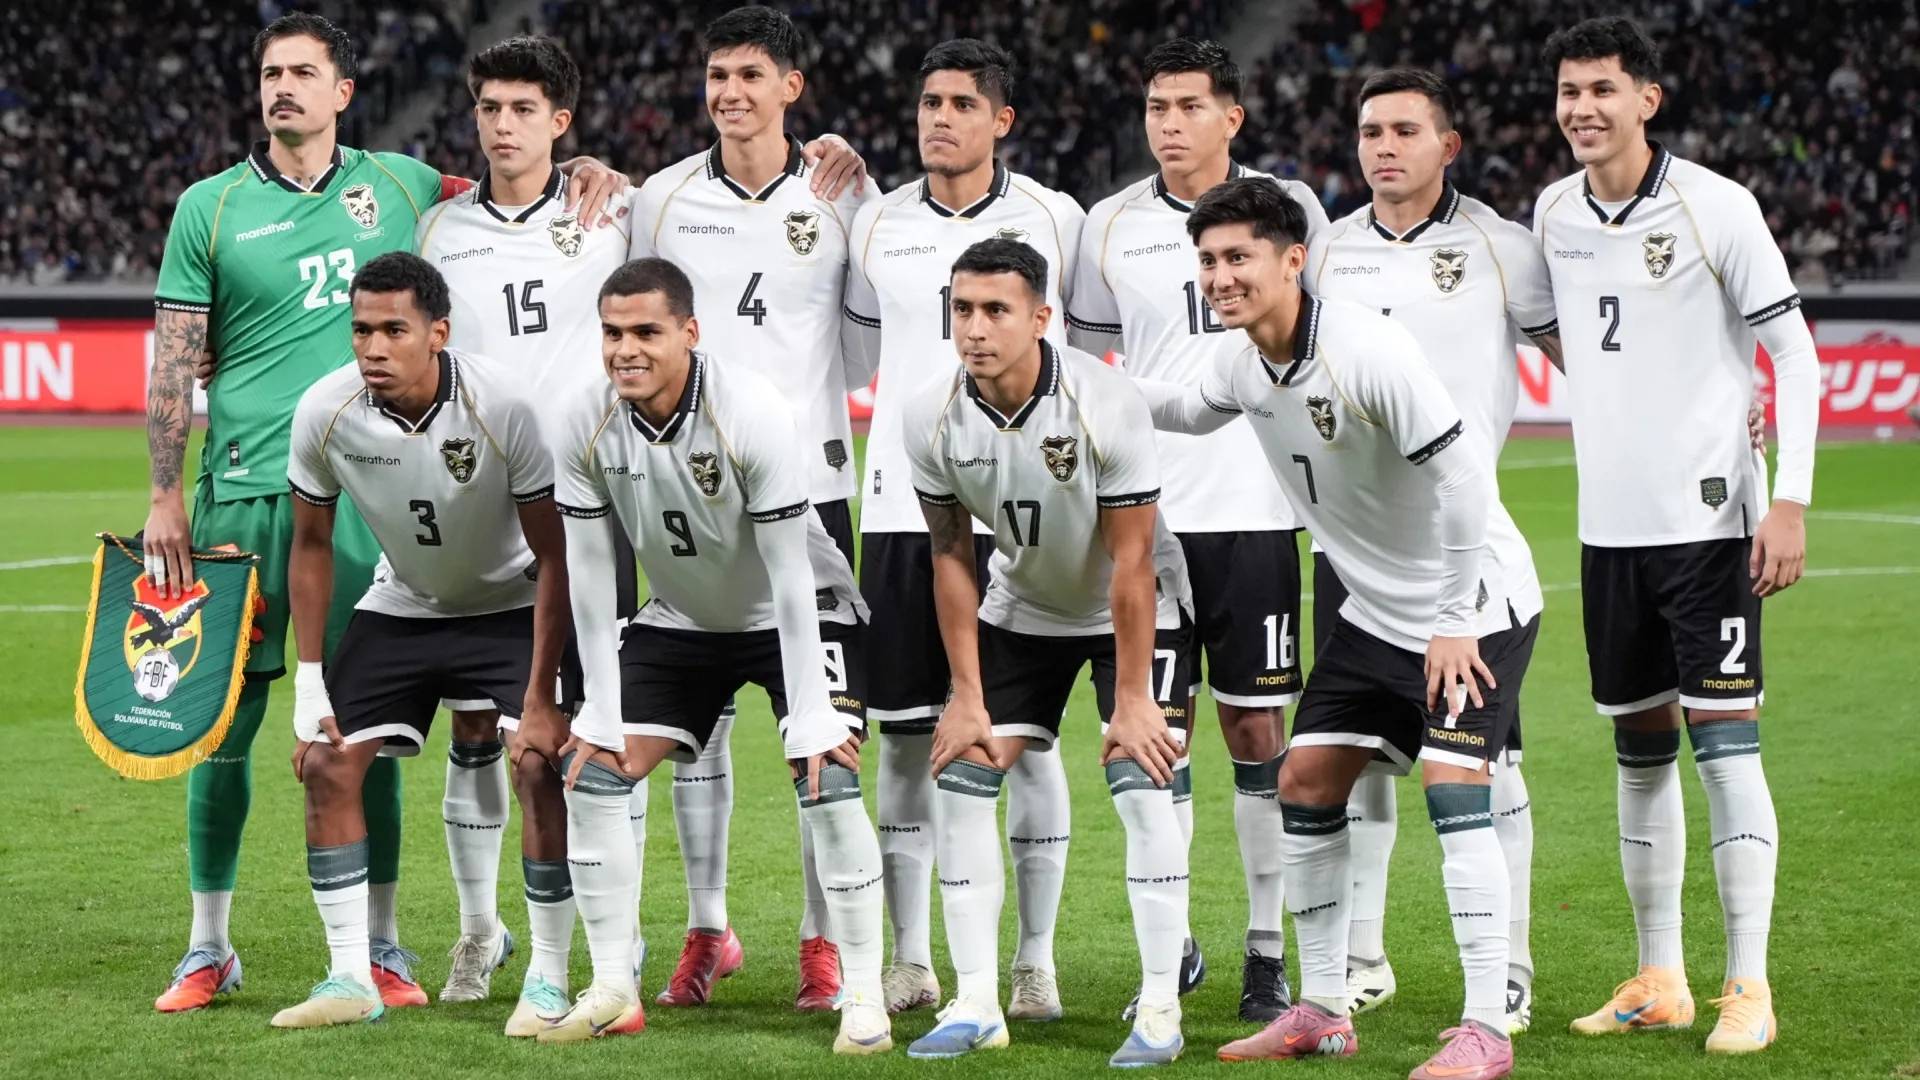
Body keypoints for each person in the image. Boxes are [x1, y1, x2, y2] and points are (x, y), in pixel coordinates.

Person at [143, 11, 617, 1014]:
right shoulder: (210, 208)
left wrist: (592, 169)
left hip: (375, 498)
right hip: (241, 493)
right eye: (270, 71)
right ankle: (207, 944)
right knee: (223, 727)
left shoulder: (402, 186)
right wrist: (164, 495)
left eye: (303, 72)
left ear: (343, 91)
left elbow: (516, 181)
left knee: (371, 725)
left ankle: (387, 950)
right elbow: (177, 353)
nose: (284, 87)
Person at [1137, 177, 1522, 1080]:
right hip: (1374, 611)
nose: (1221, 277)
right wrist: (1079, 376)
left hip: (1474, 603)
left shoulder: (1366, 350)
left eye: (1239, 258)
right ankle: (1322, 1008)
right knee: (1305, 781)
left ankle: (1485, 1031)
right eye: (1208, 261)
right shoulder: (1241, 361)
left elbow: (1465, 480)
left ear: (1293, 259)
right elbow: (1192, 413)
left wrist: (1456, 617)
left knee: (1454, 788)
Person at [1533, 16, 1818, 1054]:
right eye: (1568, 90)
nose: (1581, 109)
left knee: (1725, 748)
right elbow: (1569, 337)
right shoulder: (1554, 211)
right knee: (1638, 750)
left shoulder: (1716, 207)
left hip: (1708, 528)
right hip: (1609, 529)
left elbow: (1798, 353)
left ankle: (1749, 983)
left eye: (1603, 89)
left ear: (1647, 99)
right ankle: (1661, 974)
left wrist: (1787, 498)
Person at [545, 257, 889, 1053]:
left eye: (646, 333)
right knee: (593, 772)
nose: (625, 350)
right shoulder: (582, 417)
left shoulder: (750, 410)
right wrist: (598, 708)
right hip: (681, 618)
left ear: (690, 334)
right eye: (612, 333)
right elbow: (594, 576)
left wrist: (809, 716)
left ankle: (863, 996)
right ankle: (610, 988)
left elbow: (791, 574)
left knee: (828, 777)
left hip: (798, 611)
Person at [1067, 38, 1328, 1024]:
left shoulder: (1291, 209)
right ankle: (1171, 941)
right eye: (1154, 106)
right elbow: (1089, 369)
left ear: (1233, 117)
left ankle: (1267, 949)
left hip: (1259, 512)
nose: (1167, 124)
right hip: (1150, 521)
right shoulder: (1109, 225)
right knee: (1153, 738)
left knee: (1259, 728)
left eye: (1187, 105)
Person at [623, 4, 874, 1010]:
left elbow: (867, 342)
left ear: (791, 88)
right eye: (716, 73)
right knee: (697, 729)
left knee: (822, 730)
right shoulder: (659, 198)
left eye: (749, 75)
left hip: (812, 496)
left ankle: (822, 944)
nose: (729, 91)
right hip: (681, 498)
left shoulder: (846, 197)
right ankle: (708, 926)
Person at [1305, 68, 1557, 1033]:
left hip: (1463, 552)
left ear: (1447, 146)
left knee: (1491, 763)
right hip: (1358, 551)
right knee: (1358, 757)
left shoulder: (1501, 248)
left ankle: (1513, 965)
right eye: (1370, 130)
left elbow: (1591, 357)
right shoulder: (1327, 253)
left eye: (1406, 130)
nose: (1383, 147)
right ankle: (1360, 958)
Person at [904, 239, 1194, 1067]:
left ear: (1041, 317)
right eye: (962, 309)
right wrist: (966, 693)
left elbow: (1133, 563)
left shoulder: (1103, 401)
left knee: (1142, 784)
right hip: (1023, 605)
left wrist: (1133, 696)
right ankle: (975, 1002)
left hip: (1134, 610)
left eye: (996, 310)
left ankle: (1160, 1010)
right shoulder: (929, 412)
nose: (976, 328)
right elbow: (952, 555)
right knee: (962, 777)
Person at [844, 38, 1085, 1020]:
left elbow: (1087, 349)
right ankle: (910, 956)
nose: (939, 118)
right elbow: (866, 343)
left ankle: (1034, 960)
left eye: (960, 104)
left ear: (1002, 120)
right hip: (903, 509)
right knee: (902, 742)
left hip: (1031, 519)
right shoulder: (874, 222)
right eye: (928, 102)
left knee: (1024, 739)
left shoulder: (1057, 221)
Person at [273, 252, 572, 1028]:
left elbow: (556, 554)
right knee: (329, 763)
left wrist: (542, 694)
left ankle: (547, 972)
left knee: (538, 764)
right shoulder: (324, 411)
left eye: (393, 330)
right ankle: (348, 980)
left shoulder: (504, 406)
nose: (372, 347)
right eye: (361, 329)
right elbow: (309, 545)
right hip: (404, 603)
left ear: (436, 333)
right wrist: (311, 683)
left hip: (511, 603)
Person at [411, 34, 634, 1027]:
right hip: (471, 501)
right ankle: (478, 926)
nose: (502, 125)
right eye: (489, 107)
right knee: (473, 724)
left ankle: (607, 941)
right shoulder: (438, 230)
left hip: (586, 504)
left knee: (579, 729)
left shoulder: (612, 211)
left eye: (521, 109)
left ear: (561, 121)